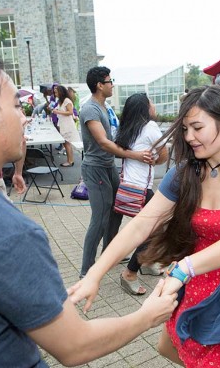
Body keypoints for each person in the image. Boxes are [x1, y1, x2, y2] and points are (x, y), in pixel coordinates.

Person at [0, 46, 176, 367]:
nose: (25, 118)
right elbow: (75, 346)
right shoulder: (7, 231)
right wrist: (147, 316)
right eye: (15, 106)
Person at [69, 85, 220, 368]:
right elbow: (140, 226)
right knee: (167, 348)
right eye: (185, 129)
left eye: (197, 127)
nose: (189, 137)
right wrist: (95, 272)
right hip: (188, 287)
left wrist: (183, 269)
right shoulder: (185, 173)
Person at [79, 66, 153, 278]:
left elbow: (116, 138)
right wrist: (135, 155)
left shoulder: (105, 107)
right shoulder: (90, 109)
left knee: (116, 212)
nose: (113, 84)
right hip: (96, 169)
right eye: (110, 81)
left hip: (109, 166)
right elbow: (103, 142)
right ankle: (87, 270)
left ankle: (109, 254)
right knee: (100, 219)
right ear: (99, 85)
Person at [113, 93, 169, 295]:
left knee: (154, 227)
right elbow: (163, 155)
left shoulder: (127, 128)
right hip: (142, 189)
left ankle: (147, 263)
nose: (153, 105)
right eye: (151, 103)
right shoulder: (151, 127)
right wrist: (156, 159)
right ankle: (129, 273)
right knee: (153, 228)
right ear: (145, 108)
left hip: (129, 186)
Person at [50, 85, 79, 167]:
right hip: (62, 123)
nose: (55, 94)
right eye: (54, 93)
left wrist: (58, 112)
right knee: (65, 143)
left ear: (61, 92)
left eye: (56, 92)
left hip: (67, 124)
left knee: (67, 143)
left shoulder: (67, 100)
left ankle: (70, 161)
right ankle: (69, 160)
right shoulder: (60, 101)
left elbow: (70, 112)